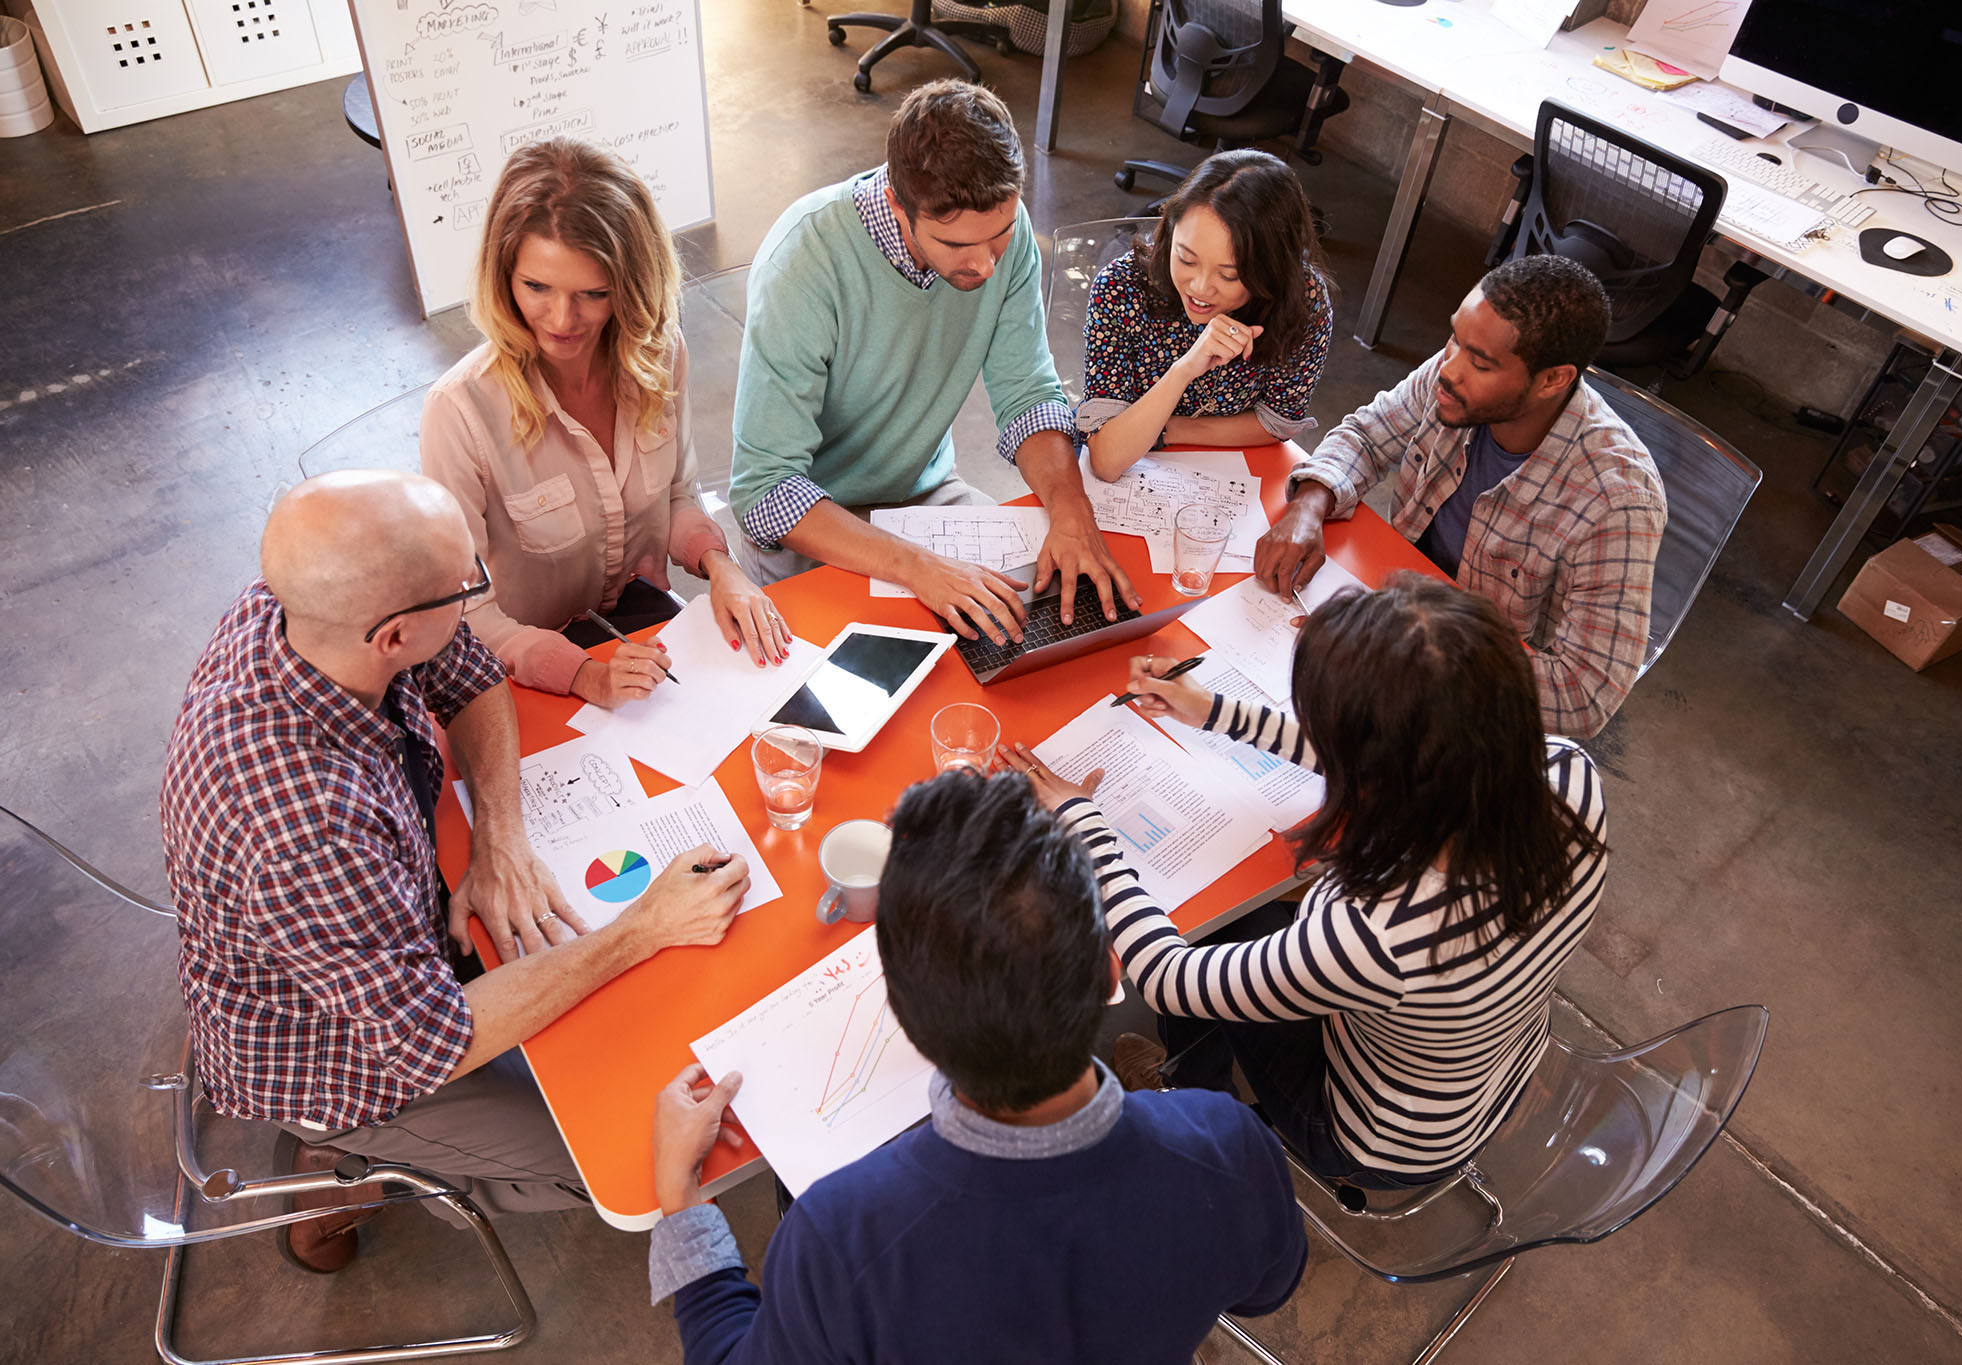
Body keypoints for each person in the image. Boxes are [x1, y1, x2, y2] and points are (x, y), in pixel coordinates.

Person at [161, 470, 753, 1272]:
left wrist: (501, 840)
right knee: (630, 1161)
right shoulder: (302, 829)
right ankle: (347, 1166)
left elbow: (470, 674)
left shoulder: (301, 611)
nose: (483, 589)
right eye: (466, 583)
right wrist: (640, 927)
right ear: (392, 636)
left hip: (382, 938)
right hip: (347, 1055)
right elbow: (430, 1038)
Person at [644, 772, 1306, 1364]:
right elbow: (1268, 1284)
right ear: (1113, 969)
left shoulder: (839, 1238)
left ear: (905, 1017)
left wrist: (681, 1205)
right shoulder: (1227, 1142)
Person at [1002, 574, 1608, 1187]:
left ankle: (1189, 1095)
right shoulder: (1566, 775)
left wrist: (1082, 824)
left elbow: (1165, 979)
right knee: (1251, 925)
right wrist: (1216, 711)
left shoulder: (1380, 932)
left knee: (1216, 932)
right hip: (1493, 1063)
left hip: (1378, 1138)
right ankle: (1191, 1077)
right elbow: (1406, 759)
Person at [729, 79, 1136, 644]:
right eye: (959, 247)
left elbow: (1028, 393)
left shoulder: (1004, 237)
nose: (987, 265)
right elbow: (765, 490)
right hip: (815, 532)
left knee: (1041, 644)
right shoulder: (803, 260)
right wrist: (920, 567)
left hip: (927, 500)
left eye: (997, 238)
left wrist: (1072, 510)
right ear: (898, 203)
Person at [420, 138, 790, 712]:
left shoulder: (659, 355)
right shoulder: (460, 412)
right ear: (502, 275)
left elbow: (677, 493)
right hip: (520, 665)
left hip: (633, 633)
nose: (564, 321)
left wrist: (722, 567)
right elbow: (462, 614)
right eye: (536, 287)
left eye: (595, 294)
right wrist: (585, 675)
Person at [1254, 254, 1666, 737]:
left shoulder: (1617, 499)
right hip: (1393, 599)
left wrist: (1408, 650)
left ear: (1553, 379)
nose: (1448, 368)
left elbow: (1583, 694)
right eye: (1455, 338)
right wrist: (1309, 504)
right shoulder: (1455, 373)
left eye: (1481, 362)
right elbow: (1367, 434)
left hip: (1467, 682)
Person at [1079, 149, 1334, 479]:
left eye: (1228, 275)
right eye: (1185, 259)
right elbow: (1107, 459)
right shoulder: (1122, 287)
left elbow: (1275, 423)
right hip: (1134, 470)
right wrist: (1183, 370)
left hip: (1233, 474)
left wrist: (1166, 429)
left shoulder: (1302, 298)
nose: (1199, 288)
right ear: (1171, 232)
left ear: (1271, 270)